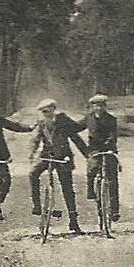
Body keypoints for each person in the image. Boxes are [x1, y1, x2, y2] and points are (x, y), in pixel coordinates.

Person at [28, 98, 89, 235]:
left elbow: (75, 137)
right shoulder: (41, 122)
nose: (46, 113)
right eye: (43, 111)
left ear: (54, 109)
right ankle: (37, 206)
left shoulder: (63, 120)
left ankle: (74, 221)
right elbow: (35, 139)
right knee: (32, 173)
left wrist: (87, 155)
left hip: (63, 156)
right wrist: (32, 153)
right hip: (47, 155)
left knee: (67, 188)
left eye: (48, 110)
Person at [82, 93, 122, 223]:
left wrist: (108, 144)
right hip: (94, 149)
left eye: (101, 105)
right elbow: (74, 128)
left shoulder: (111, 120)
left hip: (109, 149)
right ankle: (90, 190)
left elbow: (113, 135)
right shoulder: (88, 118)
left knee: (112, 180)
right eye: (96, 105)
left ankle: (114, 211)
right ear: (92, 107)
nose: (99, 108)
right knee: (92, 168)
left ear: (105, 106)